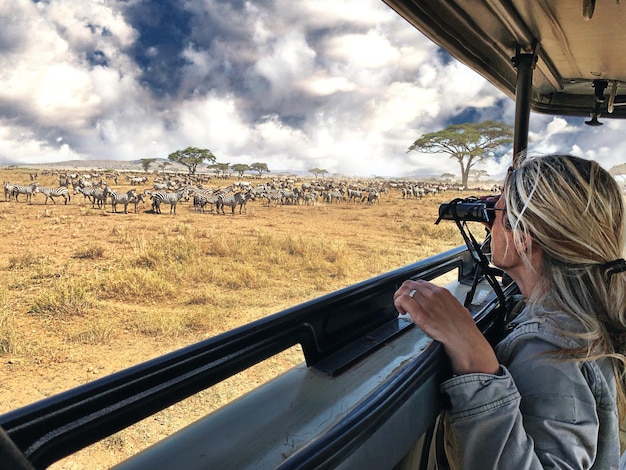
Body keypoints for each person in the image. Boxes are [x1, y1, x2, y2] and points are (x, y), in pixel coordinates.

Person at [393, 154, 626, 469]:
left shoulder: (549, 344)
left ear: (525, 237)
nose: (489, 223)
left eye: (498, 212)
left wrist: (475, 361)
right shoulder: (588, 313)